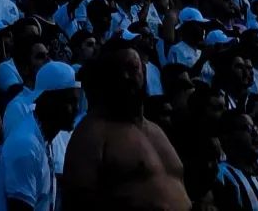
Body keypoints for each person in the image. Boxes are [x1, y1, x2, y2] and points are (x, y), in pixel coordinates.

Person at [63, 42, 191, 210]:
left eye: (132, 68)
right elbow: (77, 201)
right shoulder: (92, 133)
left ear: (144, 72)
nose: (125, 76)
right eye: (116, 71)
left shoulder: (156, 130)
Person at [0, 61, 80, 211]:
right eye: (70, 101)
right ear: (48, 101)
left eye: (77, 101)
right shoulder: (26, 146)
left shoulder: (44, 137)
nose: (76, 109)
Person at [214, 110, 258, 211]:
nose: (255, 133)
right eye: (247, 128)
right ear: (227, 136)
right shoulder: (222, 175)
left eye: (254, 128)